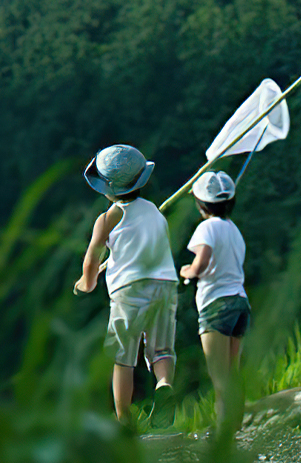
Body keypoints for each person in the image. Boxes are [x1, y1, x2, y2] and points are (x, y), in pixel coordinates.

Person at [74, 144, 178, 424]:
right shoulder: (155, 212)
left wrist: (86, 282)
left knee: (124, 356)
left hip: (129, 290)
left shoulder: (108, 218)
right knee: (162, 350)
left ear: (107, 189)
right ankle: (164, 384)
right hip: (165, 285)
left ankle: (124, 419)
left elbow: (93, 258)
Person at [180, 170, 250, 425]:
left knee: (218, 376)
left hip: (216, 305)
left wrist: (188, 271)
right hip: (240, 302)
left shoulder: (206, 227)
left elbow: (203, 260)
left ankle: (224, 435)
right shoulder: (235, 230)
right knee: (233, 372)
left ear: (201, 204)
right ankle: (236, 426)